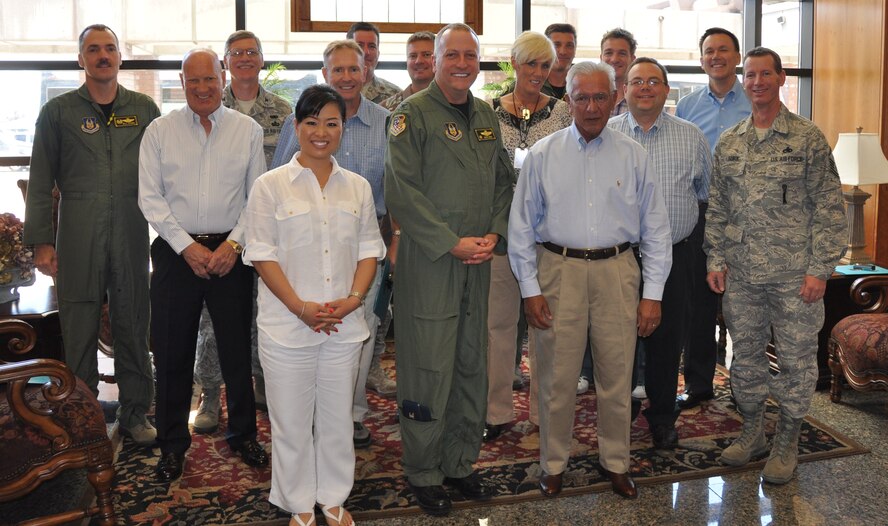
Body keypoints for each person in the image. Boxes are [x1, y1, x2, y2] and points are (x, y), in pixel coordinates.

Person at [509, 61, 672, 500]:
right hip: (557, 271)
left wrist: (652, 295)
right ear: (568, 101)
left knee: (617, 377)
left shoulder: (633, 154)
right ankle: (554, 463)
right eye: (582, 97)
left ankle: (616, 463)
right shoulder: (543, 153)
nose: (592, 106)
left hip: (617, 272)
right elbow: (521, 228)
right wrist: (530, 290)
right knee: (557, 378)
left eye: (601, 96)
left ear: (615, 97)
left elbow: (656, 229)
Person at [384, 22, 513, 517]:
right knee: (427, 365)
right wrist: (450, 242)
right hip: (432, 260)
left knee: (469, 362)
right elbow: (401, 190)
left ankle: (459, 462)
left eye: (470, 55)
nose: (462, 64)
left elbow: (504, 182)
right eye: (452, 55)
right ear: (434, 60)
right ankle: (423, 470)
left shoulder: (486, 116)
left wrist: (494, 235)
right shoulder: (410, 116)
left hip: (478, 260)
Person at [244, 84, 384, 526]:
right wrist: (300, 307)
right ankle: (299, 502)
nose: (321, 132)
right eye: (311, 122)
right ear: (296, 126)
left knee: (337, 416)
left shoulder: (357, 188)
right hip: (287, 326)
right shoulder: (270, 187)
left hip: (344, 323)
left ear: (343, 128)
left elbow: (369, 251)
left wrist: (352, 301)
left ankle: (334, 497)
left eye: (331, 123)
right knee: (290, 420)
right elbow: (261, 254)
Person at [705, 47, 846, 485]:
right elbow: (718, 206)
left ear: (782, 78)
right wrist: (715, 257)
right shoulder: (730, 142)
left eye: (766, 74)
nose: (757, 82)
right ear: (743, 81)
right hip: (743, 276)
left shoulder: (807, 138)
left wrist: (820, 268)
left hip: (794, 278)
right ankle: (752, 433)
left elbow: (829, 206)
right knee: (744, 359)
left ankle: (787, 440)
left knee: (796, 362)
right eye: (751, 75)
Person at [24, 24, 158, 446]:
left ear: (120, 57)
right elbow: (41, 177)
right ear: (80, 59)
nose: (103, 55)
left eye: (110, 48)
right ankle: (83, 417)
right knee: (78, 326)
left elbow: (164, 172)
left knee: (133, 320)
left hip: (132, 228)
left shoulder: (144, 109)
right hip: (78, 230)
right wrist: (42, 242)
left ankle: (136, 413)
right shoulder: (58, 112)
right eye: (93, 49)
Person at [139, 48, 269, 483]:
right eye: (192, 80)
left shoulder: (246, 130)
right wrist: (186, 248)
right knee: (172, 354)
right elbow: (150, 199)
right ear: (181, 81)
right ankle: (173, 445)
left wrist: (233, 244)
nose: (202, 88)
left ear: (223, 76)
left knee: (237, 352)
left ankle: (243, 434)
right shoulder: (159, 131)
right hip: (177, 255)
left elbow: (258, 198)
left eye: (209, 79)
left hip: (232, 252)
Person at [271, 40, 392, 448]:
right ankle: (306, 418)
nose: (345, 77)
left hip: (364, 248)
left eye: (352, 69)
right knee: (307, 327)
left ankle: (349, 415)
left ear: (366, 72)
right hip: (304, 243)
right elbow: (278, 180)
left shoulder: (386, 122)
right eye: (336, 70)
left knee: (360, 330)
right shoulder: (300, 122)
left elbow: (395, 188)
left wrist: (394, 242)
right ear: (325, 74)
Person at [192, 29, 293, 434]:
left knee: (262, 311)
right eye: (237, 53)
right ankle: (210, 394)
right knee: (211, 320)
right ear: (225, 62)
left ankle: (260, 383)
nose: (245, 58)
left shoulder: (283, 111)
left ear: (262, 59)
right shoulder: (209, 105)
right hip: (223, 230)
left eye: (252, 51)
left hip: (269, 230)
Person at [608, 57, 712, 449]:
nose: (646, 88)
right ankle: (618, 414)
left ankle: (663, 416)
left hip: (675, 255)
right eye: (637, 82)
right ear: (625, 90)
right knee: (616, 340)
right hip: (618, 256)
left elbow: (705, 195)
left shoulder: (692, 136)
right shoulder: (608, 134)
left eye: (654, 81)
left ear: (668, 90)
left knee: (668, 340)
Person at [484, 30, 572, 444]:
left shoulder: (563, 114)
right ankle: (496, 412)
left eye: (545, 65)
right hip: (500, 235)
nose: (538, 72)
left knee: (545, 328)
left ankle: (542, 415)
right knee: (497, 326)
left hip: (547, 238)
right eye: (530, 64)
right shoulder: (486, 113)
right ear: (513, 64)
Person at [675, 27, 751, 411]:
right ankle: (700, 383)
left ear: (736, 56)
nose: (716, 56)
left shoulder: (755, 99)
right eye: (709, 51)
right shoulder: (687, 106)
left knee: (745, 304)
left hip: (750, 215)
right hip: (703, 215)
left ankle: (746, 385)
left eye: (724, 50)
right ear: (701, 58)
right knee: (700, 303)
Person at [381, 31, 436, 111]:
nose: (419, 61)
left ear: (437, 59)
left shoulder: (454, 103)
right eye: (413, 56)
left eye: (426, 55)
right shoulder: (385, 109)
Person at [347, 21, 400, 103]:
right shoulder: (331, 93)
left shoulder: (395, 96)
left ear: (378, 53)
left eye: (372, 46)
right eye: (359, 45)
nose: (366, 52)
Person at [600, 28, 637, 117]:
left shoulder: (640, 101)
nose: (614, 59)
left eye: (622, 53)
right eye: (609, 53)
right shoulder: (587, 97)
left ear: (632, 59)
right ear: (601, 58)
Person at [542, 23, 576, 100]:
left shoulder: (586, 82)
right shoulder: (530, 83)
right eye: (556, 45)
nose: (563, 52)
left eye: (569, 45)